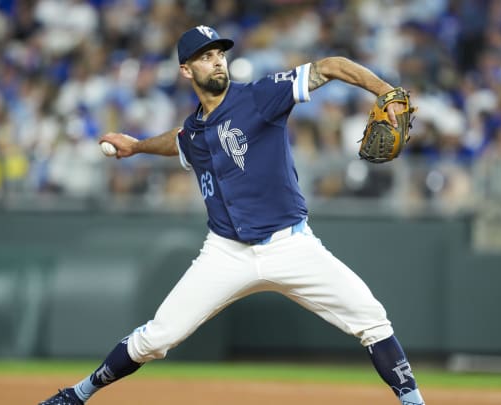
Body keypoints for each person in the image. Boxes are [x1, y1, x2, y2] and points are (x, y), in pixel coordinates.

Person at [39, 25, 426, 405]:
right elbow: (177, 142)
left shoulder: (260, 97)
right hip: (226, 253)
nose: (217, 62)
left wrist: (386, 91)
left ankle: (413, 402)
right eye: (206, 57)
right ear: (187, 71)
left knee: (371, 318)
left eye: (220, 54)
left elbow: (331, 66)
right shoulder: (194, 131)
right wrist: (136, 146)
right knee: (156, 338)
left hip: (290, 245)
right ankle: (78, 394)